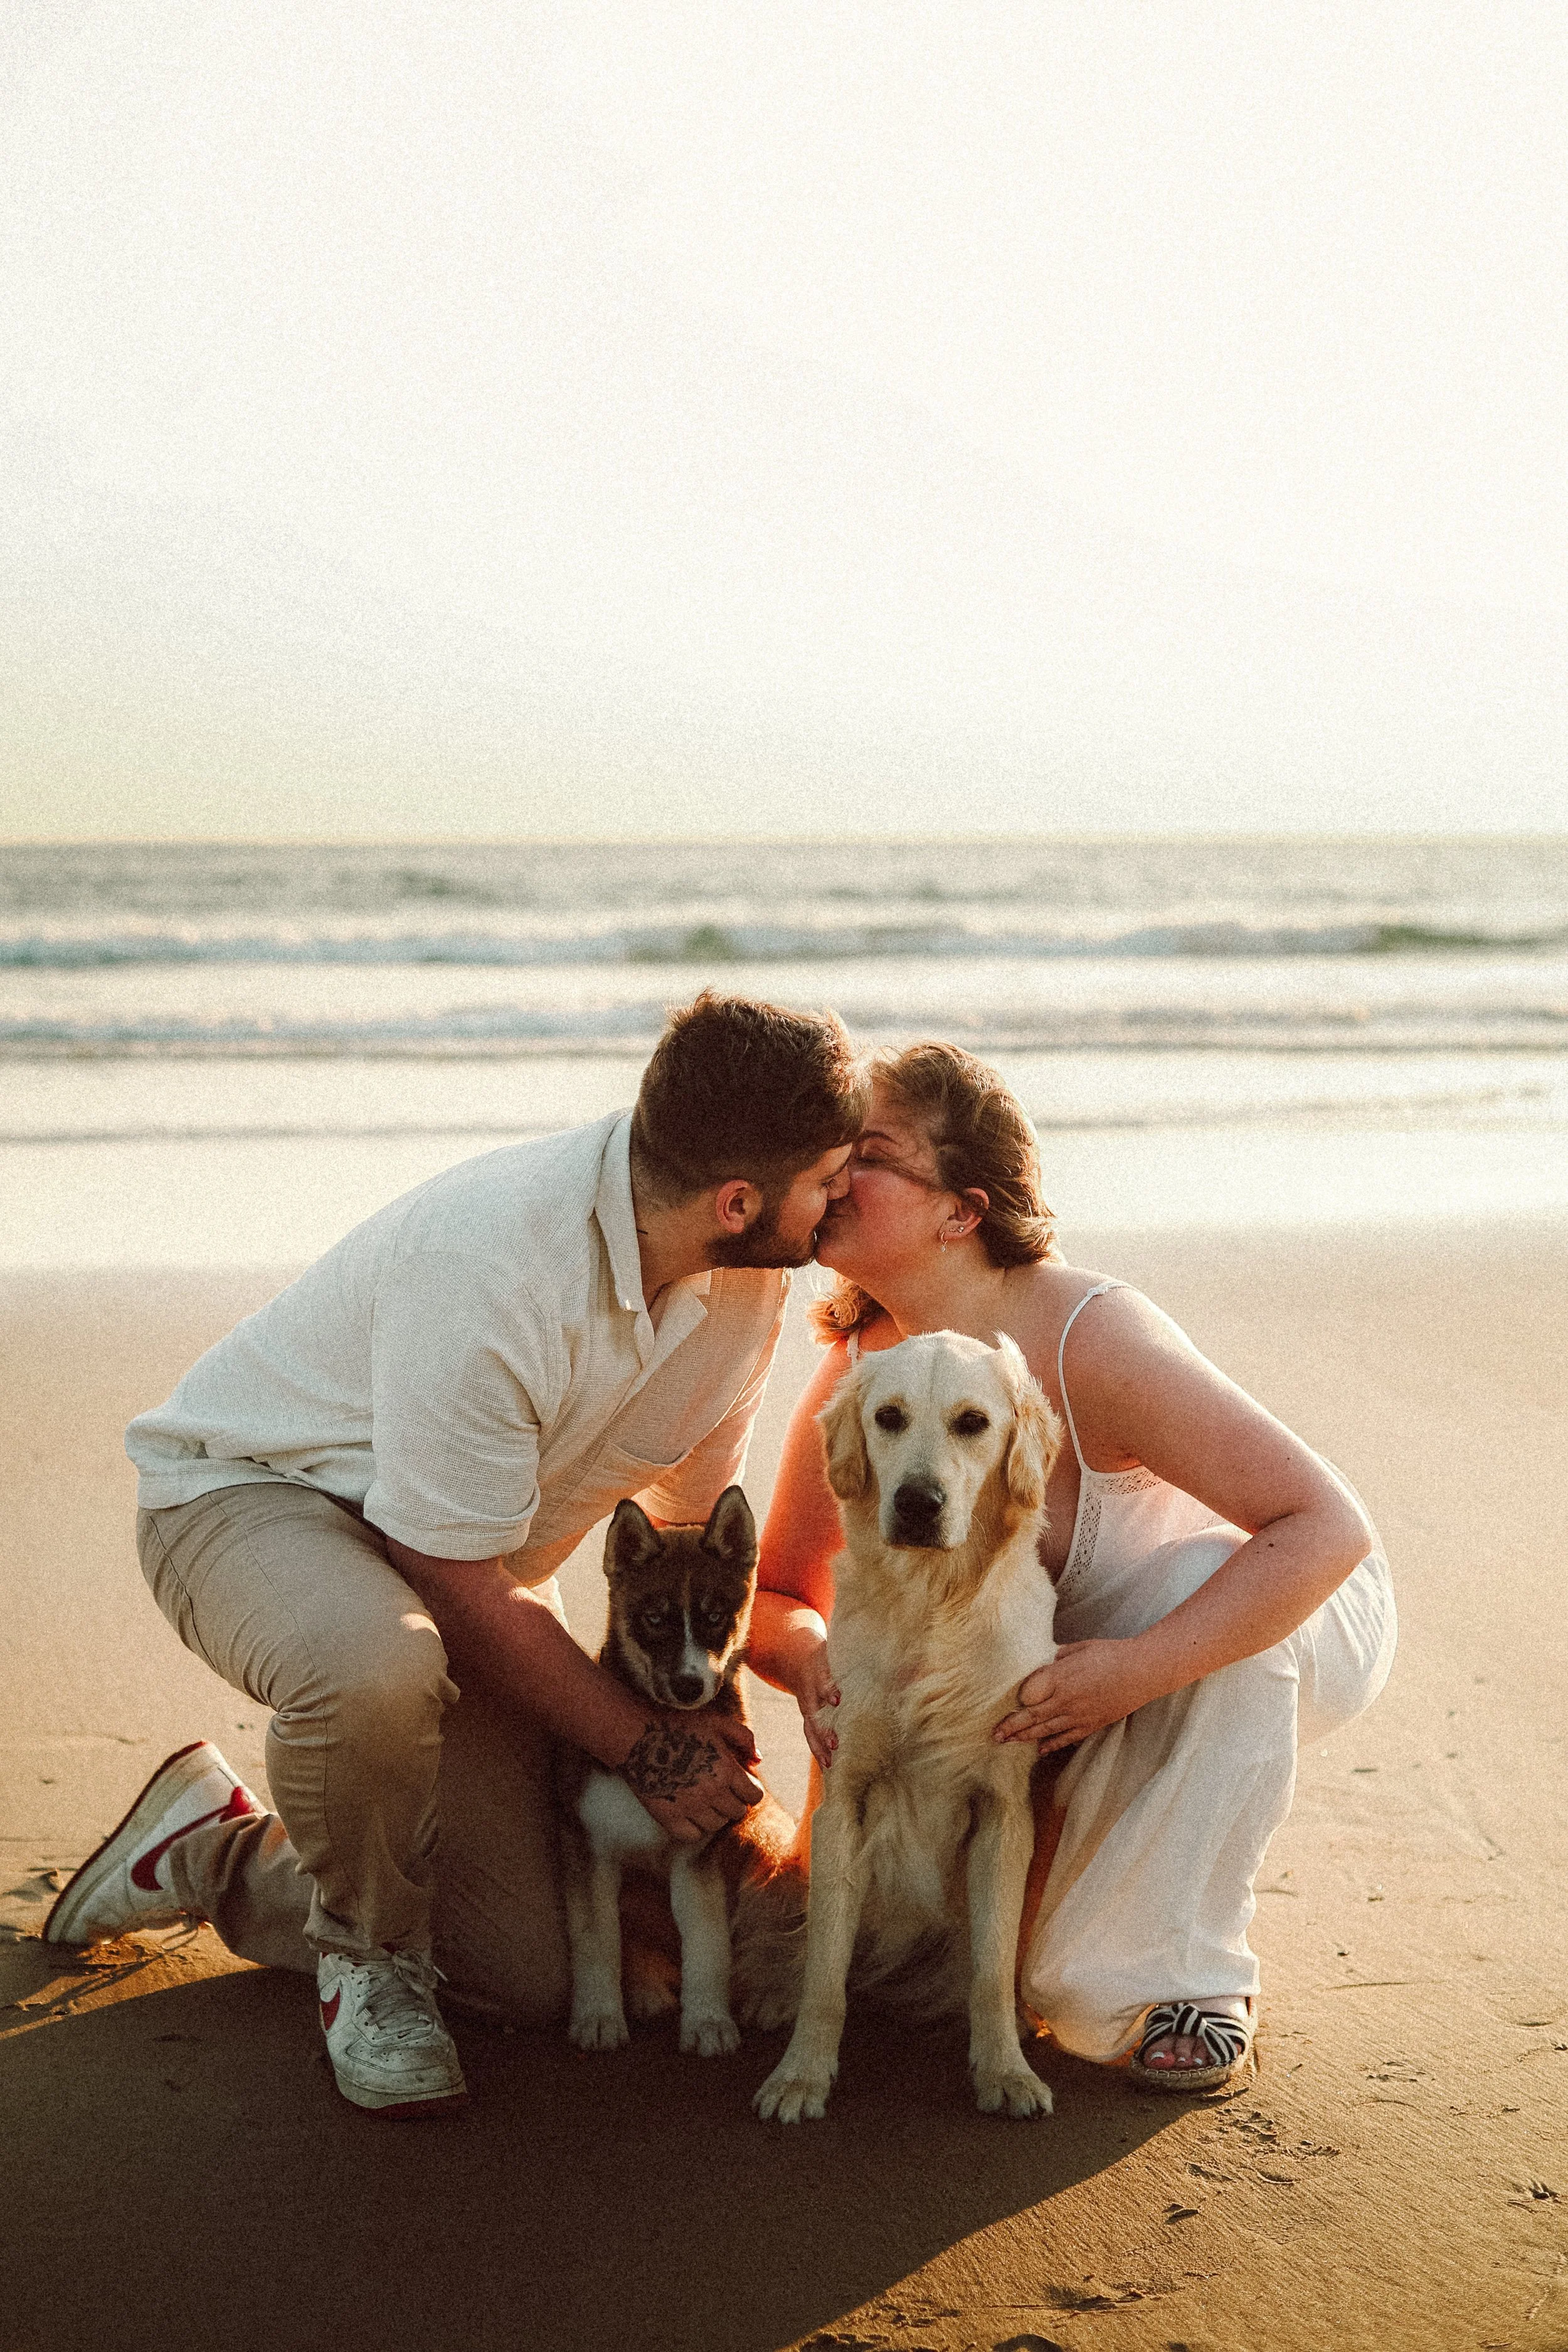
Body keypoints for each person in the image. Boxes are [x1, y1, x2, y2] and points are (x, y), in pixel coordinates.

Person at [45, 992, 867, 2116]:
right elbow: (445, 1574)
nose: (841, 1204)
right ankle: (365, 1961)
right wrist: (641, 1743)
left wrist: (707, 1704)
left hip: (462, 1563)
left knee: (523, 1976)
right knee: (376, 1667)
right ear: (738, 1199)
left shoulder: (748, 1282)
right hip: (256, 1502)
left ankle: (216, 1849)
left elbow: (688, 1514)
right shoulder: (496, 1265)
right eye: (827, 1180)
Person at [748, 1041, 1395, 2090]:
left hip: (1272, 1612)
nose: (830, 1174)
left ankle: (1201, 1980)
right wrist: (813, 1659)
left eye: (865, 1152)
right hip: (1071, 1685)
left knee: (1193, 1590)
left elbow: (1324, 1526)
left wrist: (1134, 1672)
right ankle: (1123, 1933)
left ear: (964, 1208)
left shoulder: (1094, 1337)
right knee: (1044, 1973)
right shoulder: (868, 1366)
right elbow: (777, 1591)